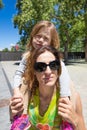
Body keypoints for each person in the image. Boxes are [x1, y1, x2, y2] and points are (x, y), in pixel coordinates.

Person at [10, 46, 86, 130]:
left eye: (53, 65)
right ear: (34, 71)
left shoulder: (73, 98)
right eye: (40, 66)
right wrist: (13, 114)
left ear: (59, 69)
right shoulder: (27, 94)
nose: (48, 72)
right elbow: (14, 121)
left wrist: (74, 119)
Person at [13, 20, 71, 100]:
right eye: (38, 36)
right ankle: (23, 111)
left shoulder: (53, 58)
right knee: (24, 80)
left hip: (48, 92)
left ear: (51, 42)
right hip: (31, 90)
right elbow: (18, 74)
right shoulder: (27, 57)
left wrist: (64, 96)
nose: (40, 40)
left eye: (46, 38)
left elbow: (63, 75)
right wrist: (16, 90)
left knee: (70, 84)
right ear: (32, 36)